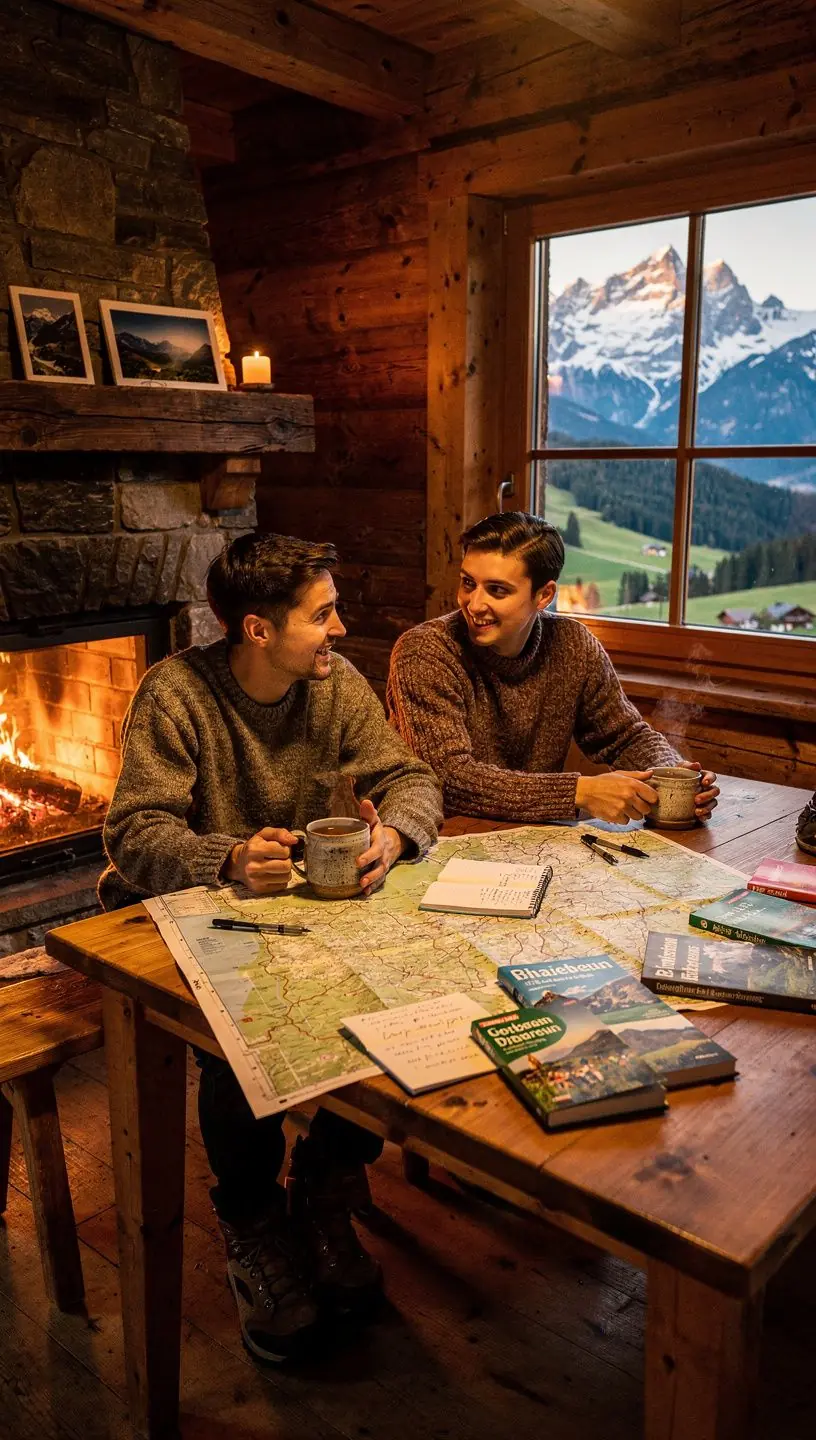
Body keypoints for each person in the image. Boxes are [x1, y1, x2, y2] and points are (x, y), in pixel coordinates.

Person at [100, 532, 442, 1364]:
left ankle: (325, 1182)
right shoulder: (175, 693)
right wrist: (222, 858)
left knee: (392, 999)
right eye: (322, 615)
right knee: (239, 1044)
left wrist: (396, 834)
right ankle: (253, 1220)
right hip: (182, 910)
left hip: (299, 908)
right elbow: (133, 831)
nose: (339, 629)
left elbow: (409, 777)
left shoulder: (336, 683)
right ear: (258, 629)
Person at [387, 511, 719, 825]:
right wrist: (580, 792)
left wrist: (674, 775)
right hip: (441, 838)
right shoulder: (425, 652)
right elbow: (447, 779)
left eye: (497, 590)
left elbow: (625, 736)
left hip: (534, 840)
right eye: (468, 583)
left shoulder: (573, 644)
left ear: (544, 595)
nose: (474, 604)